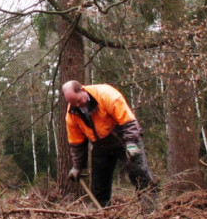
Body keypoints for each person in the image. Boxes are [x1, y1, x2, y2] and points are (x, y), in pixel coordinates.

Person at [62, 80, 156, 209]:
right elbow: (77, 143)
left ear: (83, 90)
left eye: (78, 101)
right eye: (73, 103)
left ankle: (151, 212)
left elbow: (128, 121)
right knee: (98, 187)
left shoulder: (107, 95)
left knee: (139, 174)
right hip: (101, 145)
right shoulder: (72, 114)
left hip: (123, 137)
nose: (78, 105)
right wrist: (77, 167)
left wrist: (131, 144)